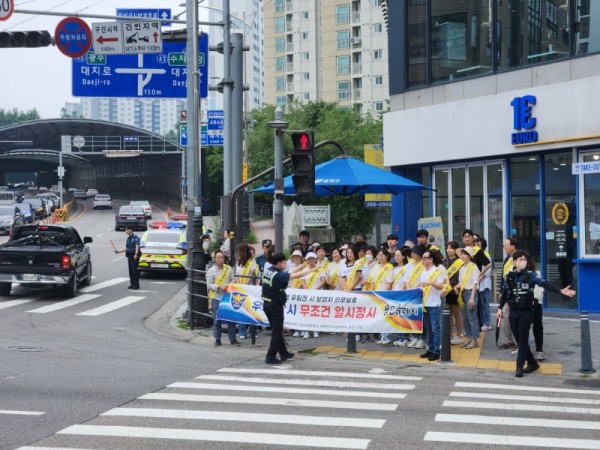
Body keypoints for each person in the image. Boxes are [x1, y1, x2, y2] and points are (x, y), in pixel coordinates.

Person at [498, 250, 575, 377]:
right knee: (518, 338)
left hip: (526, 312)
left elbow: (544, 284)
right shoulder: (509, 276)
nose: (523, 262)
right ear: (514, 262)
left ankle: (519, 367)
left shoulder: (531, 275)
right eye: (520, 259)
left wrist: (561, 291)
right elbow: (505, 293)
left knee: (523, 339)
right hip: (513, 311)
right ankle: (533, 363)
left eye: (524, 259)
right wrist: (500, 308)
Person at [261, 252, 316, 364]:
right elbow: (292, 276)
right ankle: (270, 356)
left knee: (278, 330)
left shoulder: (269, 271)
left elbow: (286, 273)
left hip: (267, 304)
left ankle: (284, 353)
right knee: (277, 331)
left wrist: (299, 267)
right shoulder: (278, 275)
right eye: (284, 261)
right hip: (274, 305)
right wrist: (311, 270)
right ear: (279, 263)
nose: (286, 263)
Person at [418, 249, 447, 361]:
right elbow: (421, 286)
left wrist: (431, 283)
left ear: (431, 259)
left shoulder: (436, 271)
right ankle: (430, 349)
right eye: (423, 258)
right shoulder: (423, 272)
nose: (423, 260)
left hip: (434, 303)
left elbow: (441, 285)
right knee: (428, 328)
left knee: (435, 328)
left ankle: (436, 350)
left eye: (425, 258)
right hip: (425, 303)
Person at [206, 250, 237, 346]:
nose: (221, 259)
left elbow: (233, 280)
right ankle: (217, 339)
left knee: (230, 318)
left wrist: (228, 285)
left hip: (227, 296)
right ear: (215, 259)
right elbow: (209, 285)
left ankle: (233, 339)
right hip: (217, 297)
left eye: (222, 257)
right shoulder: (211, 271)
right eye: (219, 258)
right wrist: (219, 286)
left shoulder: (228, 268)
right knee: (217, 319)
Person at [454, 246, 480, 349]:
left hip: (470, 293)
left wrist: (472, 298)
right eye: (462, 254)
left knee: (471, 318)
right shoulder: (462, 268)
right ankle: (468, 339)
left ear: (470, 256)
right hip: (463, 293)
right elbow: (461, 282)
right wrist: (456, 287)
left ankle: (475, 340)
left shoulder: (474, 267)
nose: (463, 256)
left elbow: (475, 284)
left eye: (465, 254)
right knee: (464, 318)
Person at [235, 242, 260, 340]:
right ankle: (242, 331)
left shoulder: (252, 261)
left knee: (250, 311)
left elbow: (252, 274)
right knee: (241, 310)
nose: (239, 253)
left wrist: (245, 285)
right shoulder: (238, 262)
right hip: (240, 289)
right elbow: (237, 274)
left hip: (249, 289)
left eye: (240, 251)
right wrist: (239, 285)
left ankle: (252, 331)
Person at [300, 252, 326, 338]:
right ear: (307, 260)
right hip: (307, 294)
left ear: (315, 259)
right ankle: (307, 331)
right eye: (309, 258)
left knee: (316, 312)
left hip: (317, 294)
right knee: (307, 313)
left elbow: (323, 281)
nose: (311, 260)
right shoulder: (304, 270)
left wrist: (316, 289)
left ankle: (316, 330)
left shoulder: (320, 269)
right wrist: (307, 290)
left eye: (312, 258)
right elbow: (303, 281)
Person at [498, 237, 519, 349]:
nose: (504, 247)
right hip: (507, 293)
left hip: (517, 293)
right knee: (505, 314)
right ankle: (509, 340)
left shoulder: (520, 259)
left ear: (513, 246)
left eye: (506, 245)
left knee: (515, 317)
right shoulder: (507, 259)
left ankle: (519, 341)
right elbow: (503, 276)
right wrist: (501, 291)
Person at [443, 241, 464, 345]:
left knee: (457, 313)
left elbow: (460, 277)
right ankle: (450, 335)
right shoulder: (444, 261)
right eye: (447, 248)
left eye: (451, 248)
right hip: (446, 290)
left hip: (455, 290)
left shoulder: (460, 261)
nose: (449, 250)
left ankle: (459, 335)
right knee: (448, 314)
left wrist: (454, 287)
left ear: (455, 250)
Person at [475, 236, 493, 331]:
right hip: (478, 284)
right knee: (480, 305)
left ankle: (487, 323)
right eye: (476, 244)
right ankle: (482, 322)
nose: (476, 245)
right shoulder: (476, 255)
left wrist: (477, 280)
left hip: (484, 284)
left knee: (485, 305)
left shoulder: (486, 254)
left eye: (478, 244)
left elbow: (487, 271)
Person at [114, 225, 140, 290]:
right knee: (130, 271)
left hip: (134, 256)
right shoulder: (128, 238)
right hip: (129, 256)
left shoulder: (135, 237)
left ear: (130, 230)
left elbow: (137, 246)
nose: (125, 231)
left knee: (135, 271)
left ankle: (136, 285)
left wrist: (136, 254)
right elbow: (127, 248)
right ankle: (132, 283)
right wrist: (119, 251)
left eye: (126, 230)